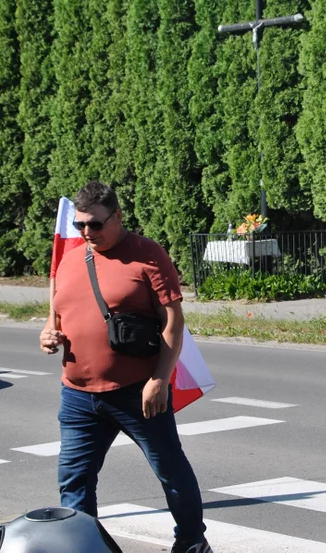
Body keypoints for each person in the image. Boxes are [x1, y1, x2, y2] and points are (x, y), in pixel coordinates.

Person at [39, 181, 211, 553]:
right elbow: (58, 313)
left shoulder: (146, 254)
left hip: (137, 391)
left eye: (96, 225)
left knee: (171, 471)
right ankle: (83, 546)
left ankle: (192, 542)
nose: (87, 233)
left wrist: (160, 380)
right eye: (80, 225)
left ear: (117, 216)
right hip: (78, 395)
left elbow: (172, 322)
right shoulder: (71, 257)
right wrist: (47, 334)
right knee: (74, 481)